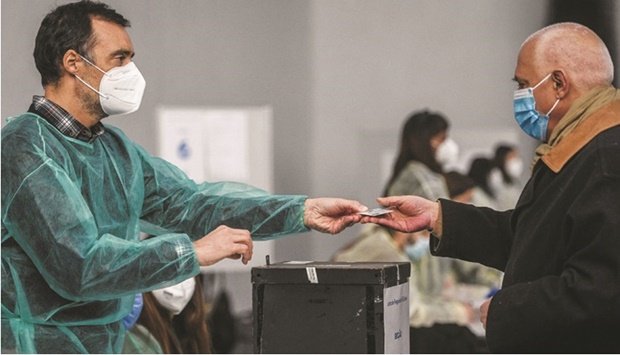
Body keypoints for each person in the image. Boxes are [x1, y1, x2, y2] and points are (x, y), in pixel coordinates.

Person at [0, 2, 367, 353]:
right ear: (73, 63)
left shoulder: (112, 148)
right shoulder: (24, 147)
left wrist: (300, 211)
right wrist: (190, 252)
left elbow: (192, 204)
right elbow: (79, 264)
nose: (131, 72)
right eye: (120, 58)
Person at [361, 22, 620, 353]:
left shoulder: (606, 161)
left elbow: (602, 293)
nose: (519, 98)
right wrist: (438, 216)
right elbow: (530, 237)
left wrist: (506, 310)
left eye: (524, 85)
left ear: (558, 83)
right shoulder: (580, 150)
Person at [382, 110, 484, 353]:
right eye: (441, 138)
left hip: (425, 301)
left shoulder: (415, 176)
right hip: (421, 308)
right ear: (425, 140)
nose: (447, 145)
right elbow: (436, 230)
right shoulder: (422, 179)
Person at [123, 275, 210, 354]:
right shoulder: (135, 341)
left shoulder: (187, 331)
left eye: (185, 267)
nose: (178, 278)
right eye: (167, 264)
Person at [490, 144, 524, 210]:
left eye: (517, 157)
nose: (515, 161)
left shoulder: (514, 179)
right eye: (512, 157)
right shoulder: (496, 176)